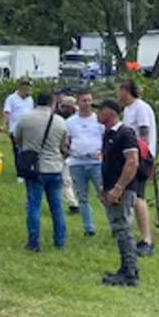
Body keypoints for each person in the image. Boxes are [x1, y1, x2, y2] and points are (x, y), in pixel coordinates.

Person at [14, 91, 69, 252]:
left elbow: (18, 139)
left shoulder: (25, 119)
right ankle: (59, 241)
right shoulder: (60, 122)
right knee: (57, 207)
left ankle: (33, 242)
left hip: (34, 169)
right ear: (53, 103)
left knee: (33, 206)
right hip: (54, 167)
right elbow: (63, 145)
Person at [98, 100, 140, 287]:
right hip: (110, 188)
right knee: (118, 228)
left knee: (123, 229)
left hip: (122, 189)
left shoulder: (125, 134)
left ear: (110, 113)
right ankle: (124, 268)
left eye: (101, 111)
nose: (98, 114)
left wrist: (118, 188)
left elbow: (132, 162)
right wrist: (103, 188)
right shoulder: (108, 134)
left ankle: (130, 273)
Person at [119, 81, 157, 258]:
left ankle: (146, 240)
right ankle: (130, 232)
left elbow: (144, 132)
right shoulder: (128, 109)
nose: (118, 95)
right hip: (131, 156)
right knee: (132, 196)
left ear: (126, 91)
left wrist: (141, 156)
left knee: (138, 197)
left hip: (140, 157)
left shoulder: (140, 107)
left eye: (119, 91)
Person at [66, 91, 103, 237]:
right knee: (82, 197)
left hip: (96, 162)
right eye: (84, 100)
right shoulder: (70, 122)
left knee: (103, 194)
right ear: (77, 102)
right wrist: (70, 152)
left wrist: (102, 153)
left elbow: (107, 139)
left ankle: (114, 225)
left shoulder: (98, 120)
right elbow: (65, 142)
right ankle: (89, 227)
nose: (87, 104)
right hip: (77, 163)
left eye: (89, 100)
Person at [56, 94, 81, 214]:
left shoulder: (74, 118)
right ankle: (72, 203)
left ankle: (70, 203)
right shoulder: (58, 119)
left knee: (66, 180)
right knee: (65, 180)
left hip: (72, 152)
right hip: (60, 153)